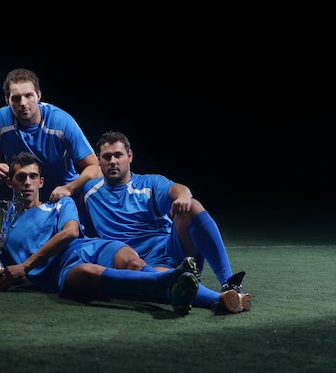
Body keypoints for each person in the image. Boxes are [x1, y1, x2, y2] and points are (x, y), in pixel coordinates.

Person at [0, 152, 246, 315]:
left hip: (91, 247)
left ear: (42, 181)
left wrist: (26, 266)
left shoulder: (60, 203)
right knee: (89, 273)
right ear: (11, 182)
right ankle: (221, 299)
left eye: (33, 177)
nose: (28, 182)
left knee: (133, 263)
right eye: (21, 177)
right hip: (59, 272)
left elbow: (71, 232)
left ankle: (224, 292)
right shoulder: (1, 220)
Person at [81, 130, 251, 311]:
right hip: (141, 263)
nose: (113, 161)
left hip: (171, 250)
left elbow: (179, 189)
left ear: (129, 156)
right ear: (99, 160)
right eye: (107, 157)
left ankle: (229, 283)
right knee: (161, 281)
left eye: (118, 155)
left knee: (191, 206)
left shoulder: (148, 183)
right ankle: (224, 300)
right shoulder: (89, 192)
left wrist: (183, 197)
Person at [0, 68, 101, 203]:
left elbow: (94, 167)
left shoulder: (61, 122)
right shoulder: (0, 119)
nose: (23, 103)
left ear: (38, 95)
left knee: (92, 185)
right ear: (7, 101)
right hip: (24, 192)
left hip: (61, 191)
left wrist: (69, 188)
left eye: (29, 95)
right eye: (16, 98)